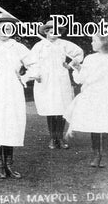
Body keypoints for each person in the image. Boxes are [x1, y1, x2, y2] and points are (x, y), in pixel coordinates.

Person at [0, 14, 33, 179]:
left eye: (9, 27)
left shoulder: (18, 47)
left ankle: (9, 164)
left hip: (12, 91)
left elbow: (35, 66)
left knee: (11, 124)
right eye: (2, 26)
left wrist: (23, 77)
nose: (6, 30)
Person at [64, 35, 108, 168]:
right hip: (92, 97)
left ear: (104, 43)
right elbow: (81, 79)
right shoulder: (90, 59)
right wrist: (77, 68)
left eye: (94, 41)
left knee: (106, 127)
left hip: (107, 97)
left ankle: (104, 155)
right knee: (94, 126)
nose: (92, 43)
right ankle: (96, 154)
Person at [28, 20, 83, 149]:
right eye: (51, 31)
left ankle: (60, 137)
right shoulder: (39, 46)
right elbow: (32, 61)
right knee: (51, 109)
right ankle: (53, 138)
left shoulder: (63, 44)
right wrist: (36, 74)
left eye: (56, 31)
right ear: (46, 32)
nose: (54, 34)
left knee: (62, 108)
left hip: (61, 79)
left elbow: (79, 53)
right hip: (46, 80)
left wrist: (70, 65)